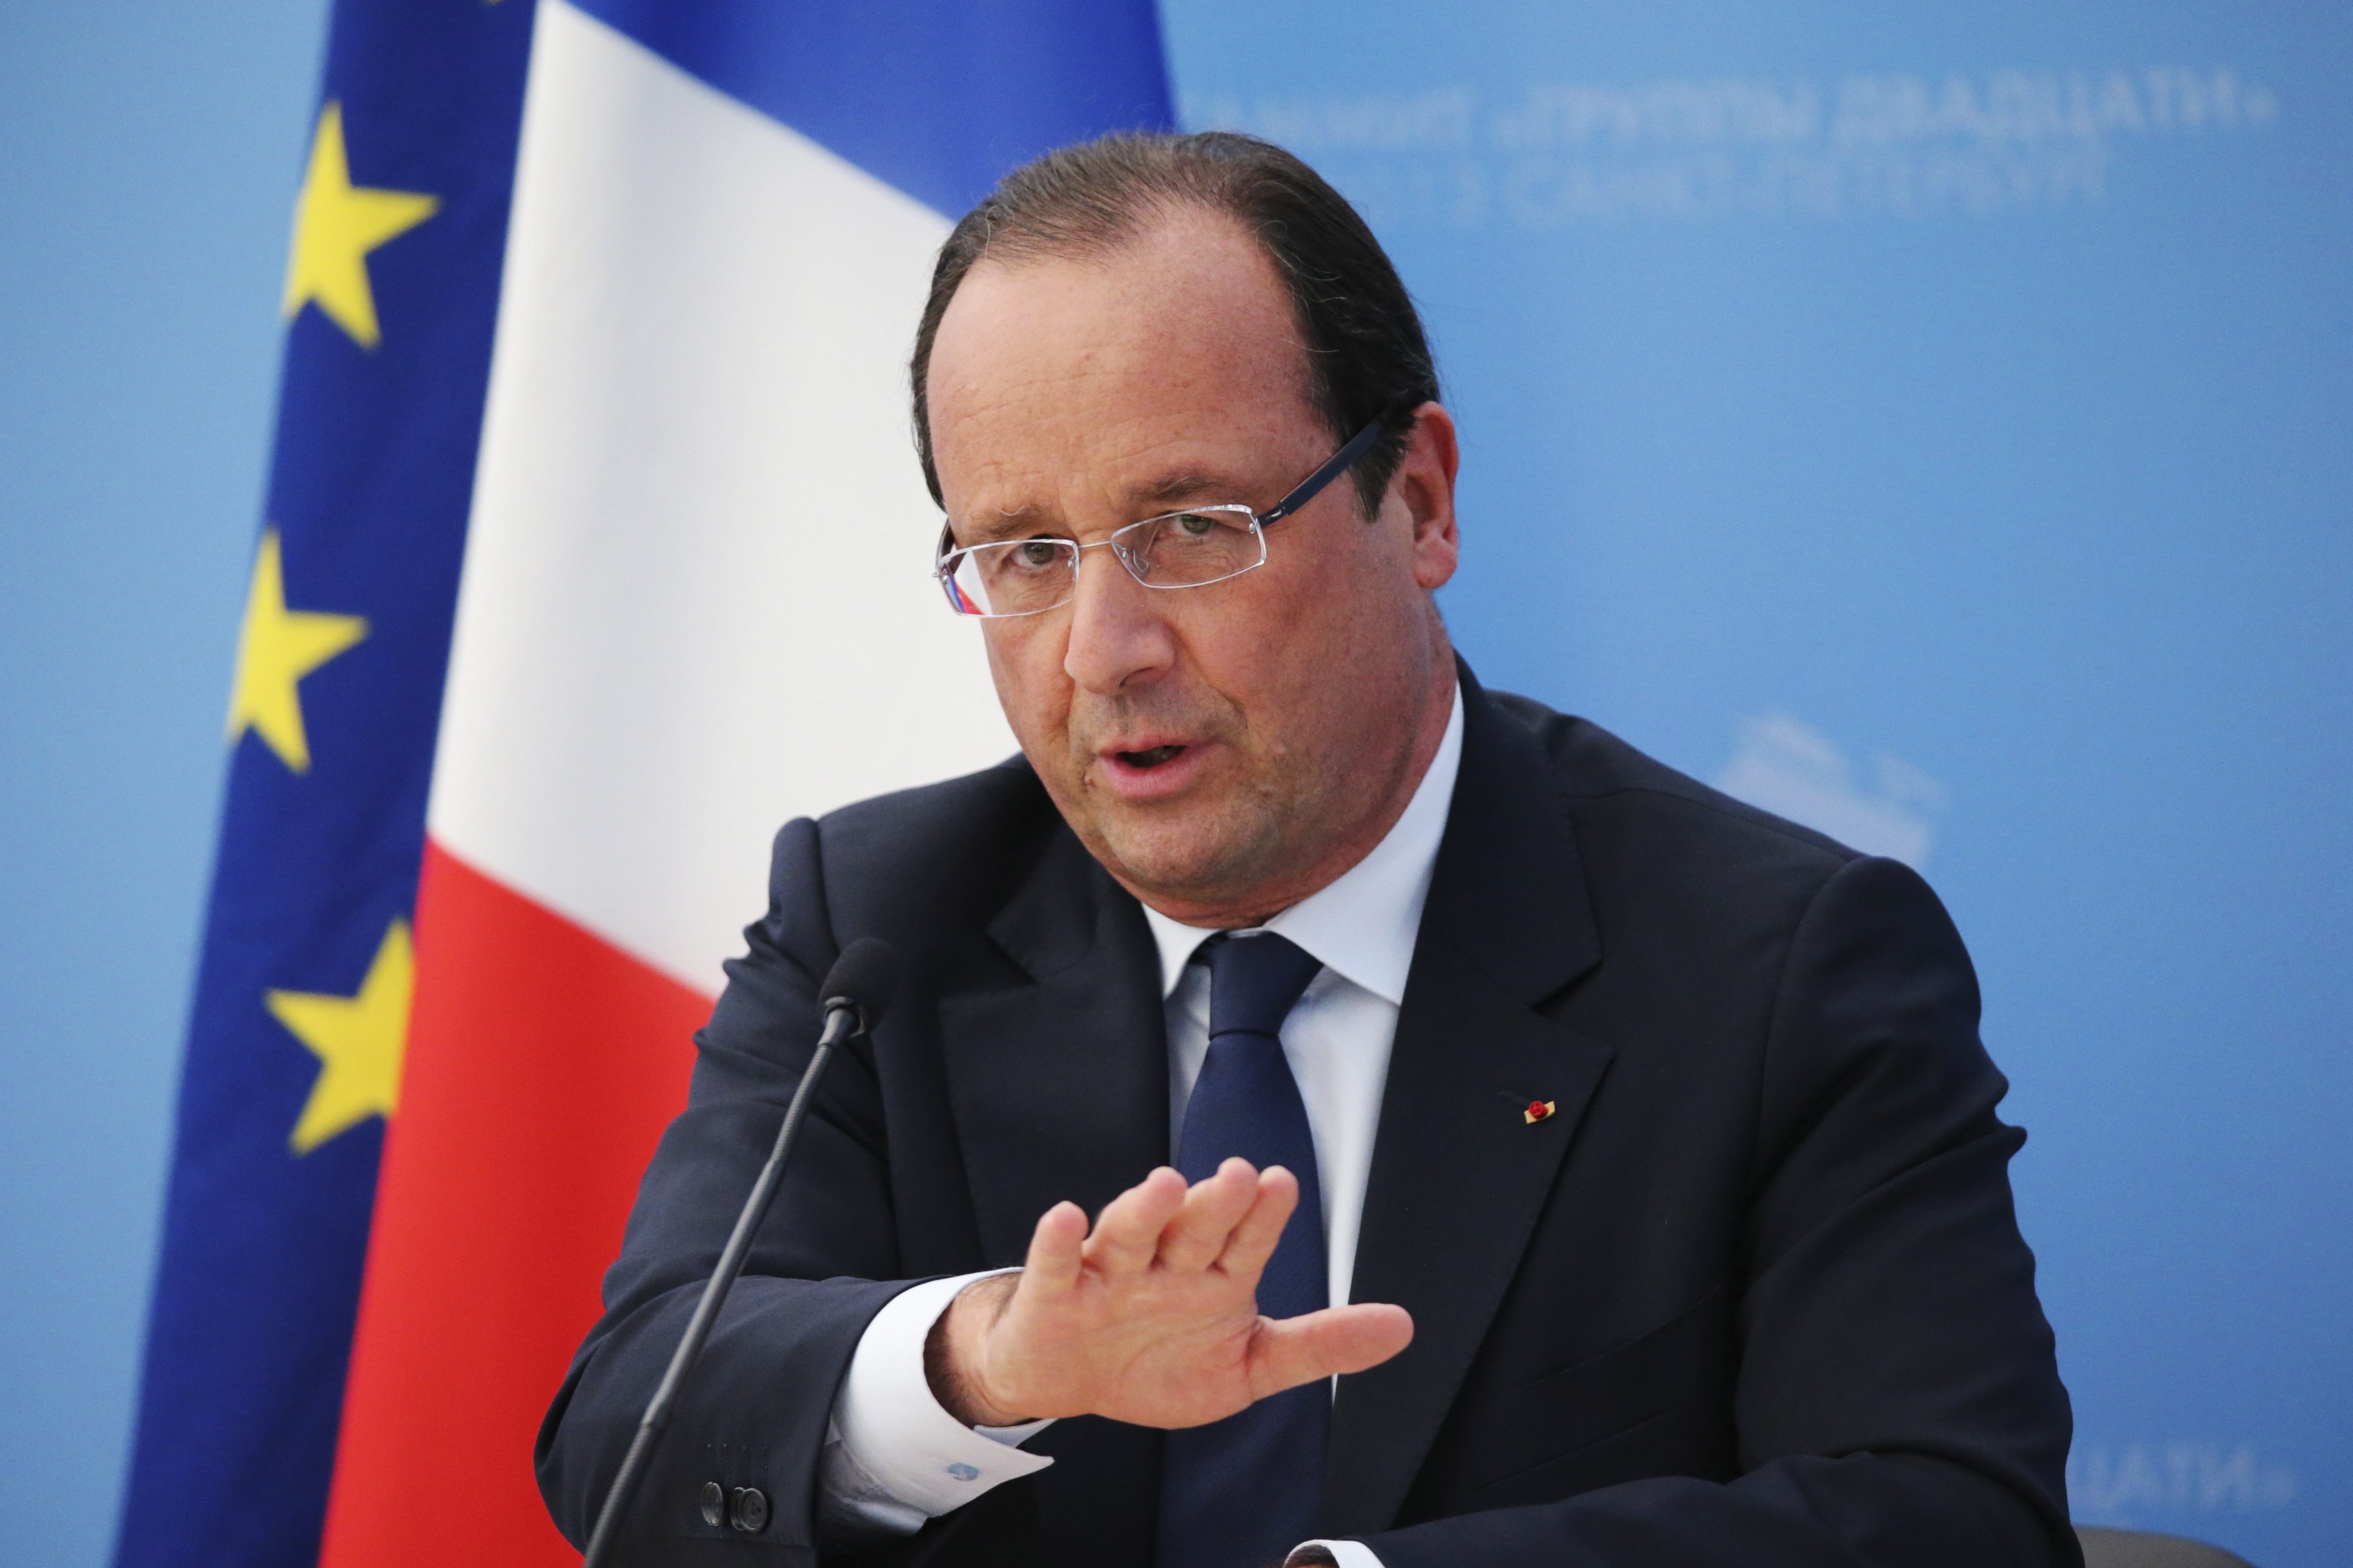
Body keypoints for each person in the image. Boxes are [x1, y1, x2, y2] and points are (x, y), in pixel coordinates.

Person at [536, 132, 2077, 1568]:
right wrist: (979, 1363)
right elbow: (628, 1434)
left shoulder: (1777, 965)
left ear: (1414, 503)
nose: (1101, 652)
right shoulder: (876, 926)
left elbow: (1945, 1514)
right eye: (1022, 557)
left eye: (1191, 527)